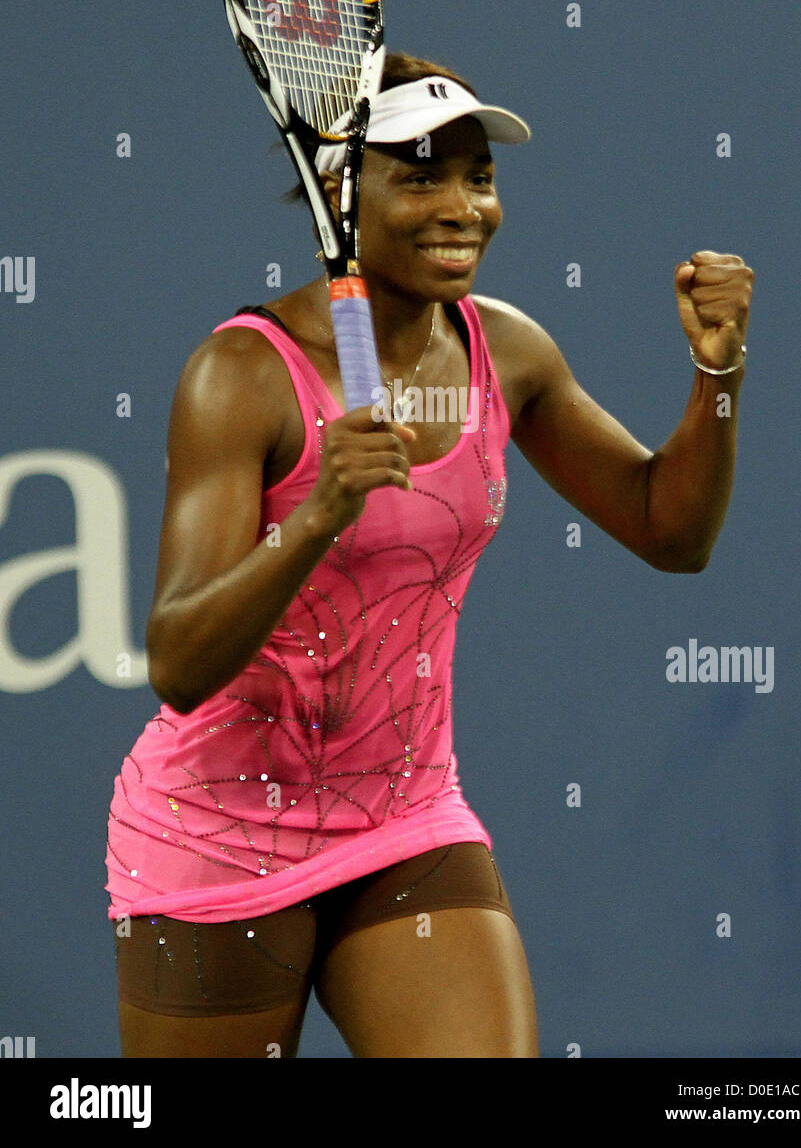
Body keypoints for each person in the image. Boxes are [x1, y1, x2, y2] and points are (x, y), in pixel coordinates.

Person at [105, 51, 752, 1058]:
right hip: (219, 840)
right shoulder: (239, 374)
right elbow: (180, 665)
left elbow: (669, 531)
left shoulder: (509, 350)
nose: (462, 206)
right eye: (418, 175)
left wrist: (716, 370)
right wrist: (317, 512)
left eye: (478, 177)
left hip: (405, 822)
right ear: (338, 192)